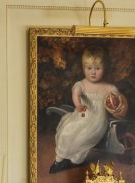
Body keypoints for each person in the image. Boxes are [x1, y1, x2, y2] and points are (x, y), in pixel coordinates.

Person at [50, 46, 128, 174]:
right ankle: (59, 159)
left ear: (104, 68)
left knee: (83, 138)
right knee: (67, 130)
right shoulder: (81, 84)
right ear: (83, 68)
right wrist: (78, 105)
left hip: (97, 121)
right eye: (89, 68)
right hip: (81, 116)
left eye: (97, 69)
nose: (93, 72)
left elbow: (119, 100)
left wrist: (119, 106)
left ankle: (75, 160)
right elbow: (76, 94)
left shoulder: (109, 88)